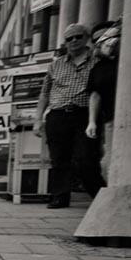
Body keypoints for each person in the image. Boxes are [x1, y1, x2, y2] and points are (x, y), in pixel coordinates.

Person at [35, 22, 102, 209]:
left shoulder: (97, 61)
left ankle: (99, 194)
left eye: (78, 37)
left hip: (85, 115)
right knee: (58, 159)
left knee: (86, 157)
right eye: (69, 38)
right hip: (58, 115)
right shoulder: (55, 65)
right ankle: (60, 196)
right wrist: (37, 120)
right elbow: (45, 93)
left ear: (86, 38)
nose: (73, 41)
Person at [86, 21, 120, 183]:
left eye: (107, 37)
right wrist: (92, 121)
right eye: (98, 40)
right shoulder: (98, 68)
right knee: (110, 160)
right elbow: (95, 94)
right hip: (112, 119)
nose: (103, 42)